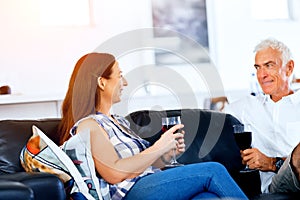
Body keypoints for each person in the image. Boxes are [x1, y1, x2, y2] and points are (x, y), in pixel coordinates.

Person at [58, 52, 247, 199]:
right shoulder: (89, 125)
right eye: (120, 75)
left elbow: (141, 164)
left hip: (147, 183)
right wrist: (157, 147)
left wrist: (164, 155)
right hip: (130, 193)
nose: (125, 82)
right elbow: (114, 173)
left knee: (206, 197)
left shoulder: (119, 121)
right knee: (213, 170)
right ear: (102, 82)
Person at [225, 38, 300, 194]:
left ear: (289, 67)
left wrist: (273, 163)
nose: (262, 75)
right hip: (278, 185)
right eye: (258, 67)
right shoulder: (247, 106)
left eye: (269, 65)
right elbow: (209, 122)